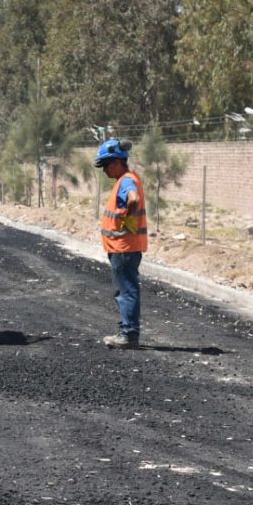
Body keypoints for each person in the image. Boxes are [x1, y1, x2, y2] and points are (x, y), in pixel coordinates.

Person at [96, 138, 148, 349]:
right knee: (126, 290)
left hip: (124, 248)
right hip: (125, 247)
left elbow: (133, 199)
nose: (105, 171)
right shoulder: (128, 179)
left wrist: (128, 221)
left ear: (117, 162)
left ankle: (128, 335)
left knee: (126, 291)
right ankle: (127, 331)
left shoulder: (126, 180)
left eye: (106, 165)